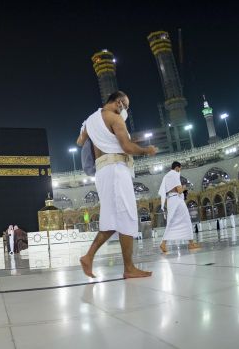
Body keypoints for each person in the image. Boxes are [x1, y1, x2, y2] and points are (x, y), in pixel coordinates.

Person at [77, 91, 157, 279]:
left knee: (114, 218)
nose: (125, 110)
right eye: (125, 106)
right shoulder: (114, 117)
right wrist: (147, 150)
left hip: (103, 171)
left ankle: (89, 257)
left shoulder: (90, 121)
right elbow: (127, 148)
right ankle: (128, 268)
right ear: (119, 103)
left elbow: (80, 141)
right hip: (115, 169)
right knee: (126, 215)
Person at [158, 162, 200, 253]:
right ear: (177, 168)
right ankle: (190, 243)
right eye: (180, 169)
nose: (180, 171)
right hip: (176, 200)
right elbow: (180, 191)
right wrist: (184, 187)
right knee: (186, 220)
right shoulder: (174, 174)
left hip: (170, 200)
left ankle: (164, 243)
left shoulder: (167, 176)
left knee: (171, 222)